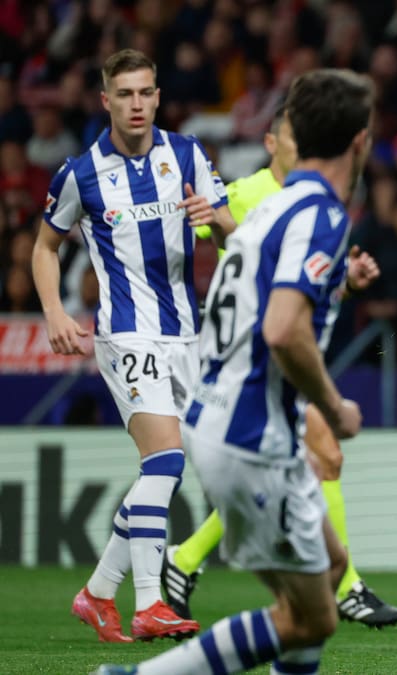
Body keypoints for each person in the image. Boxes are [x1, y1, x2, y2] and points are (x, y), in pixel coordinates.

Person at [93, 68, 374, 675]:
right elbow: (282, 329)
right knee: (313, 616)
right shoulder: (321, 215)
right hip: (253, 436)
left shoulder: (270, 209)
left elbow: (261, 301)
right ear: (360, 142)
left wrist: (338, 283)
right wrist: (334, 406)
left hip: (221, 418)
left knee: (326, 570)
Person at [160, 106, 397, 629]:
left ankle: (184, 560)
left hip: (265, 367)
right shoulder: (251, 194)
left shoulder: (304, 203)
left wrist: (347, 276)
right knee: (328, 459)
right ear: (271, 142)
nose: (302, 148)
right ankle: (348, 589)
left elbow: (288, 278)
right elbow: (233, 253)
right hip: (258, 363)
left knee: (315, 472)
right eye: (294, 138)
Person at [33, 48, 234, 643]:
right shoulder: (82, 173)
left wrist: (216, 219)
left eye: (146, 92)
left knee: (177, 471)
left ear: (158, 96)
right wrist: (52, 311)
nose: (137, 103)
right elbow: (45, 247)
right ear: (106, 101)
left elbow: (235, 239)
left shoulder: (188, 155)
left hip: (186, 335)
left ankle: (97, 594)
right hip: (124, 333)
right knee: (165, 461)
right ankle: (150, 602)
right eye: (125, 94)